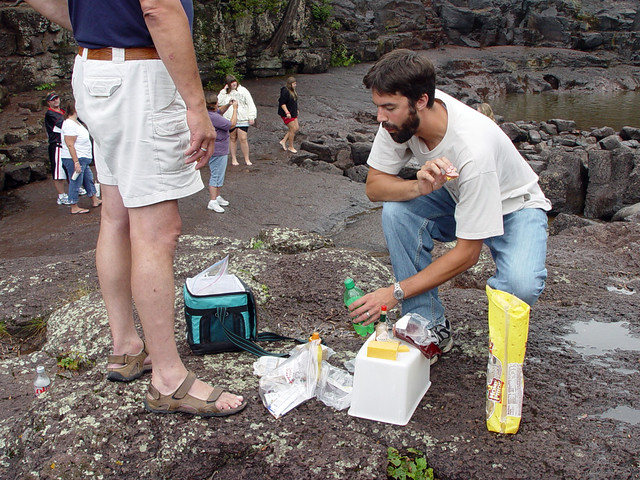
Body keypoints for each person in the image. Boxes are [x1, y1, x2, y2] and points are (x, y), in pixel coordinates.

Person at [25, 0, 246, 417]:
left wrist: (95, 23)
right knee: (158, 231)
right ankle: (167, 378)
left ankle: (126, 347)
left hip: (94, 69)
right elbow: (159, 8)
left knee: (115, 216)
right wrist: (197, 106)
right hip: (139, 77)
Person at [349, 49, 552, 364]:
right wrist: (418, 186)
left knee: (519, 286)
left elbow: (468, 255)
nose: (380, 117)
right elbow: (375, 187)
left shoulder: (472, 149)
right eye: (379, 106)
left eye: (388, 108)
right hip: (459, 197)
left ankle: (503, 346)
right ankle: (427, 324)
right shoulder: (398, 119)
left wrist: (394, 292)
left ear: (421, 101)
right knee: (398, 211)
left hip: (514, 207)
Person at [60, 99, 102, 214]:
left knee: (88, 178)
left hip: (83, 158)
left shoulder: (76, 122)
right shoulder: (68, 124)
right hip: (74, 158)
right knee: (76, 181)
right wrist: (76, 162)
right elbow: (70, 144)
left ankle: (94, 199)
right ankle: (74, 205)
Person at [205, 93, 237, 213]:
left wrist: (228, 105)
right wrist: (235, 109)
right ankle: (212, 201)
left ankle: (217, 197)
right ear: (214, 104)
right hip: (218, 150)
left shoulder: (210, 114)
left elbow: (219, 111)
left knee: (219, 174)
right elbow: (231, 124)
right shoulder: (214, 118)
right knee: (216, 174)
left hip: (220, 149)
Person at [218, 75, 257, 166]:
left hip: (243, 118)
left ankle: (247, 159)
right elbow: (219, 101)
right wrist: (224, 91)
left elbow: (250, 103)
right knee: (232, 138)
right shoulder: (226, 93)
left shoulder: (243, 90)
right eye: (231, 82)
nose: (234, 84)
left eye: (234, 81)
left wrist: (252, 116)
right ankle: (234, 159)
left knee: (243, 138)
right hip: (231, 118)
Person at [44, 91, 70, 205]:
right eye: (52, 99)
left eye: (57, 98)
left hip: (67, 143)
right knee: (58, 171)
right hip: (57, 144)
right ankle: (61, 195)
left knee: (70, 167)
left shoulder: (63, 111)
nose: (55, 100)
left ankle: (74, 188)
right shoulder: (50, 113)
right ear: (48, 102)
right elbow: (64, 123)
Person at [278, 76, 299, 153]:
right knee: (292, 129)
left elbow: (294, 101)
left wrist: (296, 109)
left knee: (296, 128)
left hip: (293, 112)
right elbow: (282, 103)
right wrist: (287, 112)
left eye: (295, 83)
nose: (295, 85)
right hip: (287, 113)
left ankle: (283, 141)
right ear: (290, 84)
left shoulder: (293, 91)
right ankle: (291, 146)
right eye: (294, 84)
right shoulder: (285, 91)